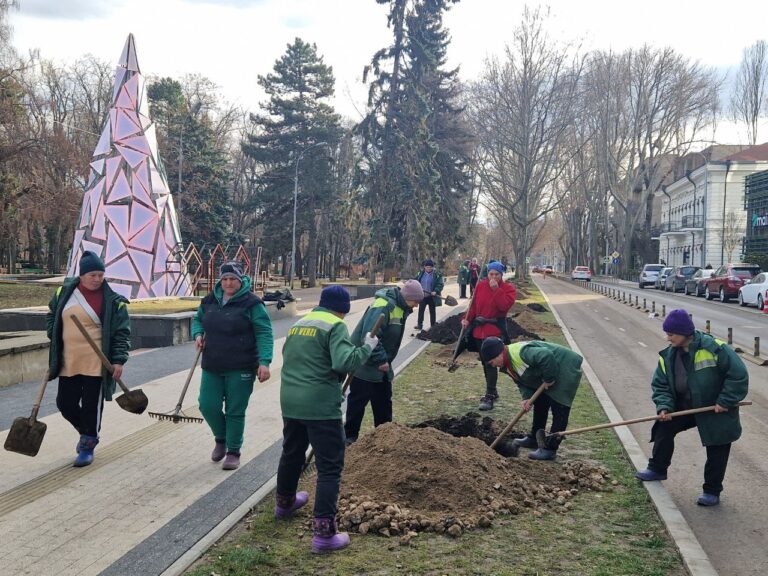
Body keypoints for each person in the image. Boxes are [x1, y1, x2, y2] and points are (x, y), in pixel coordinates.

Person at [275, 285, 379, 553]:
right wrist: (366, 347)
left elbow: (291, 357)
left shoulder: (300, 323)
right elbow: (345, 363)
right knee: (330, 466)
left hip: (290, 400)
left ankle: (284, 503)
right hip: (320, 406)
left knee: (292, 452)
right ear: (343, 309)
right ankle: (324, 535)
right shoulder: (336, 325)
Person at [634, 309, 748, 506]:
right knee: (663, 426)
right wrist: (665, 406)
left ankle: (712, 491)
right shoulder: (668, 356)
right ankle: (657, 468)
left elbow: (738, 375)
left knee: (718, 446)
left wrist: (725, 400)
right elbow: (661, 385)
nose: (667, 338)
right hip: (685, 406)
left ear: (684, 333)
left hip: (714, 408)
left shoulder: (716, 348)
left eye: (671, 334)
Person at [45, 250, 130, 467]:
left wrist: (118, 360)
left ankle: (87, 445)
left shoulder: (113, 301)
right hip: (68, 360)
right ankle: (88, 433)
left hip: (97, 363)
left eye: (100, 275)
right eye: (92, 275)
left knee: (92, 406)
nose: (97, 279)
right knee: (65, 404)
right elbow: (52, 316)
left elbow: (122, 332)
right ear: (81, 275)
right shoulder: (63, 293)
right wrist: (52, 334)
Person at [191, 261, 273, 471]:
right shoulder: (209, 300)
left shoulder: (252, 303)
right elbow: (198, 320)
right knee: (207, 405)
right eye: (225, 279)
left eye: (233, 279)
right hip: (212, 364)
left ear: (240, 279)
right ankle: (221, 438)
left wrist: (264, 362)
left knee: (235, 410)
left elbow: (264, 332)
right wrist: (198, 334)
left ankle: (233, 451)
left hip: (242, 366)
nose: (228, 283)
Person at [344, 280, 424, 444]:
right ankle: (349, 440)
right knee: (357, 404)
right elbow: (369, 336)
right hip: (365, 365)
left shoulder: (401, 307)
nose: (416, 306)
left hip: (382, 369)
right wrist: (380, 359)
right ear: (408, 297)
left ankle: (385, 439)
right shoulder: (383, 305)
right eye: (415, 301)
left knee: (383, 404)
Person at [480, 337, 583, 460]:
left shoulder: (521, 353)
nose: (493, 366)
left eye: (492, 362)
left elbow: (546, 355)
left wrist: (549, 378)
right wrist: (527, 398)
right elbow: (521, 381)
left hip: (564, 366)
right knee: (540, 402)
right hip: (547, 370)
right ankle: (534, 438)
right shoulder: (507, 364)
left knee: (559, 408)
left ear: (498, 354)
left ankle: (550, 449)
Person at [461, 261, 517, 411]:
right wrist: (467, 318)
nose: (493, 277)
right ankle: (492, 390)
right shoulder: (480, 286)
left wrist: (496, 290)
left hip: (495, 330)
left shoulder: (508, 289)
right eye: (491, 274)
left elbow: (504, 306)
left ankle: (490, 395)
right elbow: (473, 306)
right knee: (484, 362)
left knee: (491, 362)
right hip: (479, 330)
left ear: (501, 275)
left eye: (496, 274)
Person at [415, 258, 444, 330]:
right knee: (421, 310)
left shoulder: (436, 275)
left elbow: (440, 284)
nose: (429, 268)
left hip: (431, 296)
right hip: (423, 295)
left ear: (433, 267)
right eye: (427, 267)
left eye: (430, 267)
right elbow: (415, 281)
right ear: (424, 267)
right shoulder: (420, 273)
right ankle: (419, 324)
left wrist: (436, 291)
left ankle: (433, 325)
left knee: (432, 311)